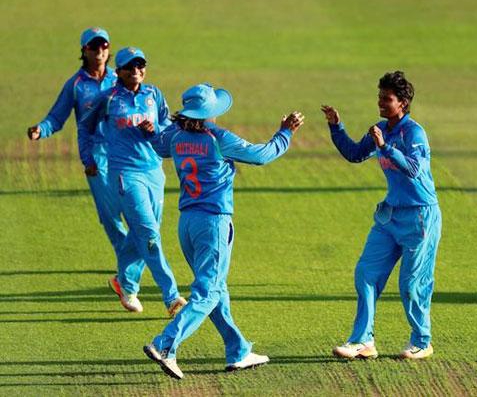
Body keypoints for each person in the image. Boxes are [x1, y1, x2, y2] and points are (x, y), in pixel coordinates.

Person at [142, 83, 304, 379]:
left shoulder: (175, 137)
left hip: (187, 224)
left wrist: (151, 128)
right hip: (214, 223)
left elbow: (156, 143)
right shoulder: (217, 138)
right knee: (209, 291)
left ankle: (238, 350)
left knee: (216, 290)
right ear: (210, 113)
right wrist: (285, 132)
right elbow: (262, 155)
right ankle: (165, 344)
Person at [323, 71, 442, 360]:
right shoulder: (380, 128)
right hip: (390, 217)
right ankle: (363, 341)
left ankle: (422, 341)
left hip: (420, 217)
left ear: (402, 102)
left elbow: (414, 169)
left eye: (386, 99)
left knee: (412, 285)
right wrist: (337, 127)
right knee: (365, 273)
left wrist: (385, 147)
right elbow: (354, 154)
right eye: (379, 97)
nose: (380, 103)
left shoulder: (414, 132)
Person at [80, 47, 186, 315]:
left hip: (154, 171)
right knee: (149, 233)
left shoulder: (154, 94)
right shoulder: (109, 98)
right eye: (130, 66)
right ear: (120, 71)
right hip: (126, 173)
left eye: (141, 65)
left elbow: (166, 125)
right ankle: (171, 296)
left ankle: (123, 282)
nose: (136, 70)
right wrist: (88, 159)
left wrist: (155, 131)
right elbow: (85, 126)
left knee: (146, 233)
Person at [27, 27, 127, 270]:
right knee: (109, 216)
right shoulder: (76, 85)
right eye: (94, 47)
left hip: (125, 151)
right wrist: (41, 129)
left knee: (134, 210)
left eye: (104, 46)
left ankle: (130, 264)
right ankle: (128, 264)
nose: (100, 51)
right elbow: (56, 117)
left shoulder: (120, 78)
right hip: (96, 156)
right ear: (84, 51)